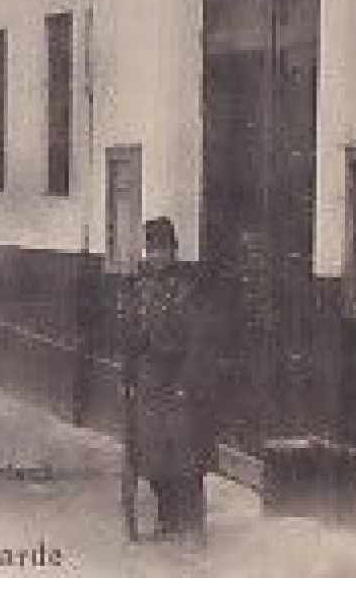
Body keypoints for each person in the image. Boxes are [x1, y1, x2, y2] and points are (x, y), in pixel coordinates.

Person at [128, 216, 211, 544]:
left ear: (174, 251)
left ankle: (194, 525)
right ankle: (167, 520)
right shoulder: (141, 286)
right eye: (152, 250)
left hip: (179, 379)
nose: (157, 256)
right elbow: (134, 334)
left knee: (186, 455)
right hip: (149, 379)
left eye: (163, 249)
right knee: (153, 455)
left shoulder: (187, 288)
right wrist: (130, 377)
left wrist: (185, 383)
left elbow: (197, 341)